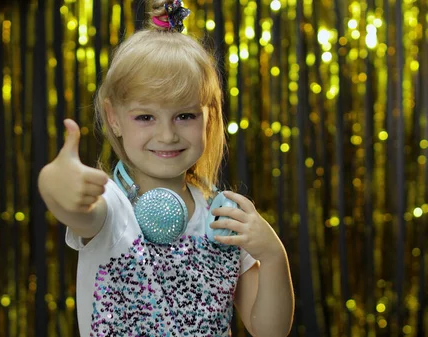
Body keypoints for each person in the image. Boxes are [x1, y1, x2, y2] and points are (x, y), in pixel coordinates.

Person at [38, 0, 294, 335]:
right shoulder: (112, 207)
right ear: (113, 118)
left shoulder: (222, 218)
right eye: (145, 117)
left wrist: (274, 256)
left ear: (210, 117)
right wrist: (54, 183)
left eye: (185, 115)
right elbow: (78, 211)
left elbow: (269, 331)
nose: (167, 134)